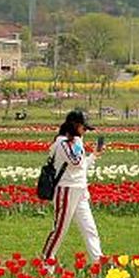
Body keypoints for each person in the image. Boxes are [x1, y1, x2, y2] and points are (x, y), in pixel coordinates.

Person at [41, 109, 104, 263]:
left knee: (90, 229)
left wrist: (93, 156)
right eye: (83, 128)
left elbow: (81, 166)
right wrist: (77, 141)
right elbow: (75, 161)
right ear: (75, 125)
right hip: (66, 189)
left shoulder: (76, 141)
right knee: (60, 229)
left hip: (80, 189)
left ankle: (98, 261)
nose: (85, 131)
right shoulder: (62, 142)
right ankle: (46, 262)